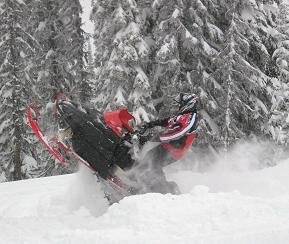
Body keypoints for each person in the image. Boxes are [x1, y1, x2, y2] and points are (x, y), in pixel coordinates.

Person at [132, 93, 198, 194]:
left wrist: (160, 137)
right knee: (148, 160)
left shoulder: (191, 118)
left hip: (175, 150)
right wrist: (150, 124)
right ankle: (142, 183)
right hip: (168, 146)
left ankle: (164, 191)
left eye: (181, 103)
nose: (179, 106)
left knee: (153, 165)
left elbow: (180, 133)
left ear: (188, 104)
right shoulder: (182, 116)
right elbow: (167, 121)